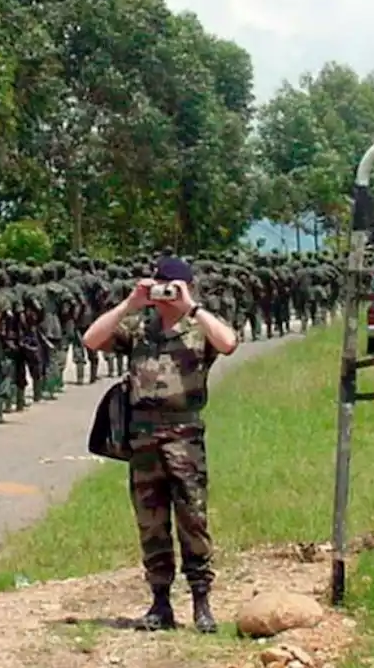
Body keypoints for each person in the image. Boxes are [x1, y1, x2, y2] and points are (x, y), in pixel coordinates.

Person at [82, 255, 238, 633]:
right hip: (143, 439)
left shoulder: (198, 330)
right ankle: (160, 603)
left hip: (184, 437)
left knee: (193, 520)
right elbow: (91, 339)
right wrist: (130, 303)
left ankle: (202, 602)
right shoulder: (139, 329)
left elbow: (229, 343)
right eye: (160, 285)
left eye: (172, 286)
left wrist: (192, 307)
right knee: (150, 523)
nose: (165, 292)